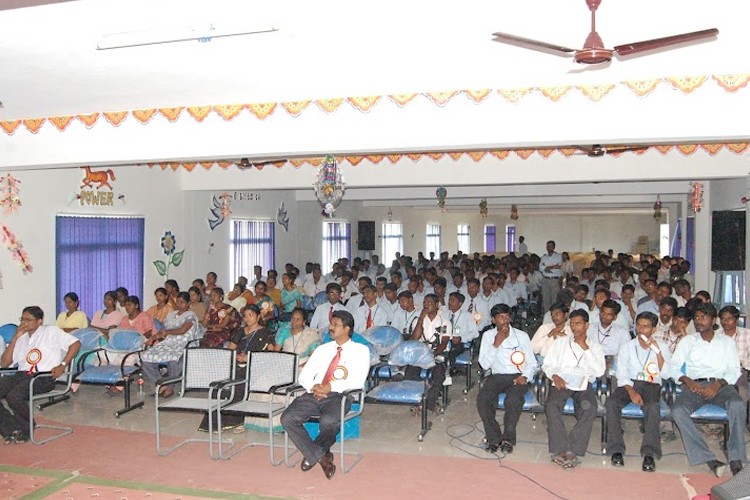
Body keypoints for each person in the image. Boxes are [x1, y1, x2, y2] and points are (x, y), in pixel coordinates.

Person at [280, 310, 370, 480]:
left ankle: (312, 454)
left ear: (347, 328)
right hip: (314, 393)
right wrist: (314, 386)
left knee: (329, 421)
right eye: (331, 323)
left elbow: (357, 380)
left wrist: (330, 387)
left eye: (335, 324)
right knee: (288, 418)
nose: (330, 327)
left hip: (340, 395)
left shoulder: (360, 351)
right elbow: (304, 375)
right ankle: (321, 456)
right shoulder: (323, 349)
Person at [667, 302, 745, 477]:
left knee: (738, 405)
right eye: (696, 318)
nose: (699, 321)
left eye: (703, 317)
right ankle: (708, 458)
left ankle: (735, 457)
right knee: (678, 411)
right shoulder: (688, 341)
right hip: (694, 385)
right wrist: (686, 379)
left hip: (721, 386)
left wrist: (717, 384)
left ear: (713, 320)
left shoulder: (726, 342)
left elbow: (734, 371)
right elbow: (672, 368)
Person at [0, 306, 80, 444]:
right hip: (22, 374)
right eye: (22, 319)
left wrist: (62, 364)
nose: (24, 323)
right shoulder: (21, 338)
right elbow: (5, 363)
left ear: (39, 321)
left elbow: (76, 344)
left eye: (28, 320)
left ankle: (26, 428)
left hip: (43, 376)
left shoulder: (51, 331)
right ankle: (11, 428)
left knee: (14, 396)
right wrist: (15, 338)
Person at [606, 312, 670, 472]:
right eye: (638, 325)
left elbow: (667, 373)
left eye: (645, 326)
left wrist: (657, 352)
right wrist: (632, 391)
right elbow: (621, 374)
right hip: (630, 384)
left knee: (653, 407)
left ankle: (650, 453)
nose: (640, 329)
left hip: (651, 384)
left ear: (654, 329)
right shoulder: (627, 346)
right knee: (612, 403)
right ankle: (616, 450)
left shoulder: (662, 346)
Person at [543, 309, 606, 469]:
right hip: (562, 380)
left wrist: (585, 348)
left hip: (584, 383)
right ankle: (561, 448)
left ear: (587, 325)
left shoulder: (595, 347)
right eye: (572, 324)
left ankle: (573, 449)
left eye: (578, 324)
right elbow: (547, 364)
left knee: (590, 408)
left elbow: (599, 371)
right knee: (551, 405)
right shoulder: (561, 342)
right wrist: (554, 376)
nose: (574, 327)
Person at [198, 304, 276, 432]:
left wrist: (249, 358)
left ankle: (235, 420)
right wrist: (236, 357)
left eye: (251, 315)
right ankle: (214, 422)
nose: (247, 318)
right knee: (219, 387)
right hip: (237, 366)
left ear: (258, 316)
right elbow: (230, 350)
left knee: (238, 386)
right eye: (245, 316)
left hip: (255, 368)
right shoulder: (240, 331)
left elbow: (270, 355)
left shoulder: (265, 333)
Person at [477, 304, 537, 454]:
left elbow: (532, 363)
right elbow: (484, 364)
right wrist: (496, 343)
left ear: (510, 318)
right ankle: (494, 438)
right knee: (483, 400)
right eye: (500, 317)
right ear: (493, 320)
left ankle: (508, 439)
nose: (504, 320)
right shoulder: (488, 336)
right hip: (497, 376)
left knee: (513, 400)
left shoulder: (521, 336)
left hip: (518, 376)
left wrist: (525, 376)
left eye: (506, 317)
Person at [141, 292, 203, 399]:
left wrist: (167, 333)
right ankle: (161, 384)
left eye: (182, 302)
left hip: (184, 344)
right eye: (178, 302)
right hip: (168, 343)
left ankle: (170, 387)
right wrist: (153, 338)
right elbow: (162, 330)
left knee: (174, 360)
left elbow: (183, 330)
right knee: (145, 358)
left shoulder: (191, 315)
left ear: (188, 304)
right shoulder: (171, 315)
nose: (179, 304)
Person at [409, 294, 451, 413]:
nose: (426, 305)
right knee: (410, 373)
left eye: (430, 303)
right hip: (420, 355)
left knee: (439, 376)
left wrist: (433, 354)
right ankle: (417, 400)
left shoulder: (444, 321)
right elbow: (414, 339)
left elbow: (444, 343)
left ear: (437, 305)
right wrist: (421, 319)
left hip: (437, 354)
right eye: (425, 303)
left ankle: (428, 402)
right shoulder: (418, 320)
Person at [718, 305, 750, 402]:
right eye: (723, 318)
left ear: (736, 320)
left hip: (740, 371)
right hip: (718, 371)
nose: (725, 322)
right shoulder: (716, 335)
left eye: (729, 318)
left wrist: (743, 365)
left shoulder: (747, 335)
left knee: (742, 393)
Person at [540, 240, 563, 314]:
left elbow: (559, 267)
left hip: (554, 280)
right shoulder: (544, 257)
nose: (548, 248)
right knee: (546, 300)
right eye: (547, 246)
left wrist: (547, 268)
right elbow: (541, 268)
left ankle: (555, 315)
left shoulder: (558, 256)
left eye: (550, 246)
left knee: (554, 300)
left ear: (554, 247)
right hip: (545, 280)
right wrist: (553, 267)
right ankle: (547, 317)